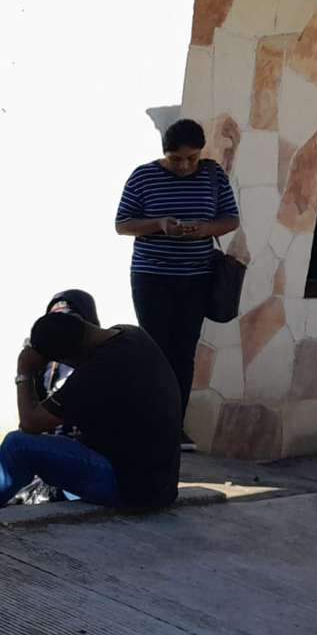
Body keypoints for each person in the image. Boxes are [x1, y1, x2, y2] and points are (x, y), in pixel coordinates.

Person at [0, 310, 181, 513]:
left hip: (130, 490)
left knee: (18, 446)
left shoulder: (97, 370)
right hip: (160, 485)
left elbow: (29, 423)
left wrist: (24, 372)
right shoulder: (131, 334)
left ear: (69, 357)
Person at [115, 118, 240, 449]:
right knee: (154, 350)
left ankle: (173, 424)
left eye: (192, 158)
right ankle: (146, 422)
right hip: (151, 277)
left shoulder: (213, 176)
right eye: (177, 159)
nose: (185, 165)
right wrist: (159, 224)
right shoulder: (144, 176)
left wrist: (202, 230)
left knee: (183, 353)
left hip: (195, 279)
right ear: (164, 153)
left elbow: (230, 218)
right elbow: (122, 224)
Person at [13, 289, 99, 506]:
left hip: (86, 459)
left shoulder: (96, 366)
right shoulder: (46, 367)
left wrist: (23, 372)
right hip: (52, 453)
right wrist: (29, 374)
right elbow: (29, 424)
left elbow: (32, 423)